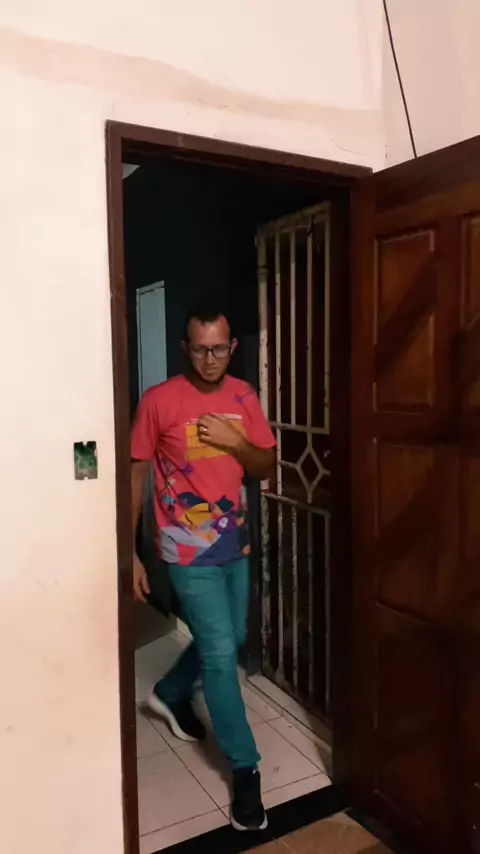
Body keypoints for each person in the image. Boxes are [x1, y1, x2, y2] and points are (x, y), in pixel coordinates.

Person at [131, 302, 276, 832]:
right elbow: (135, 474)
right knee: (219, 653)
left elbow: (266, 463)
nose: (210, 359)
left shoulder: (244, 397)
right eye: (200, 349)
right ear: (185, 348)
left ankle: (170, 693)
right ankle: (245, 768)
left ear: (232, 347)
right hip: (185, 551)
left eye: (219, 348)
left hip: (234, 544)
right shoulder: (159, 401)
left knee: (231, 637)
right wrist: (129, 551)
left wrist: (237, 442)